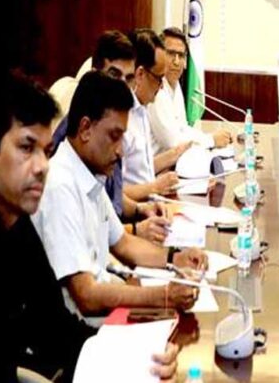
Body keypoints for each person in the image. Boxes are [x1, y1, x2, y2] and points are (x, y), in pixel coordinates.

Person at [0, 72, 178, 381]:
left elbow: (56, 330)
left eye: (45, 151)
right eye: (26, 148)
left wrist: (142, 358)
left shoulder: (16, 223)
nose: (42, 166)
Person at [32, 72, 207, 328]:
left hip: (105, 315)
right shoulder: (60, 186)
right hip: (83, 331)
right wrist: (164, 296)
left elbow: (123, 243)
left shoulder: (89, 173)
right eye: (114, 136)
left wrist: (175, 258)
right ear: (85, 129)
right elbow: (86, 295)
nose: (121, 150)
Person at [52, 30, 169, 244]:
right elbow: (91, 232)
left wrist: (141, 209)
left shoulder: (118, 120)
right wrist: (136, 229)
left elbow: (109, 197)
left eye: (129, 79)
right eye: (114, 75)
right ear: (94, 74)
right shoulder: (80, 134)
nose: (121, 86)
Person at [123, 29, 193, 200]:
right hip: (135, 207)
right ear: (140, 74)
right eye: (158, 79)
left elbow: (142, 169)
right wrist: (154, 187)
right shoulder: (121, 118)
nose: (162, 86)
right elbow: (113, 193)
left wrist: (174, 154)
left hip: (149, 200)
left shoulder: (141, 110)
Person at [147, 26, 232, 152]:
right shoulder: (155, 89)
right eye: (171, 53)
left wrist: (210, 137)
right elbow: (172, 142)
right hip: (157, 162)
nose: (176, 62)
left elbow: (183, 128)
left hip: (175, 159)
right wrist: (211, 140)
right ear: (159, 55)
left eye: (181, 55)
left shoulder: (175, 84)